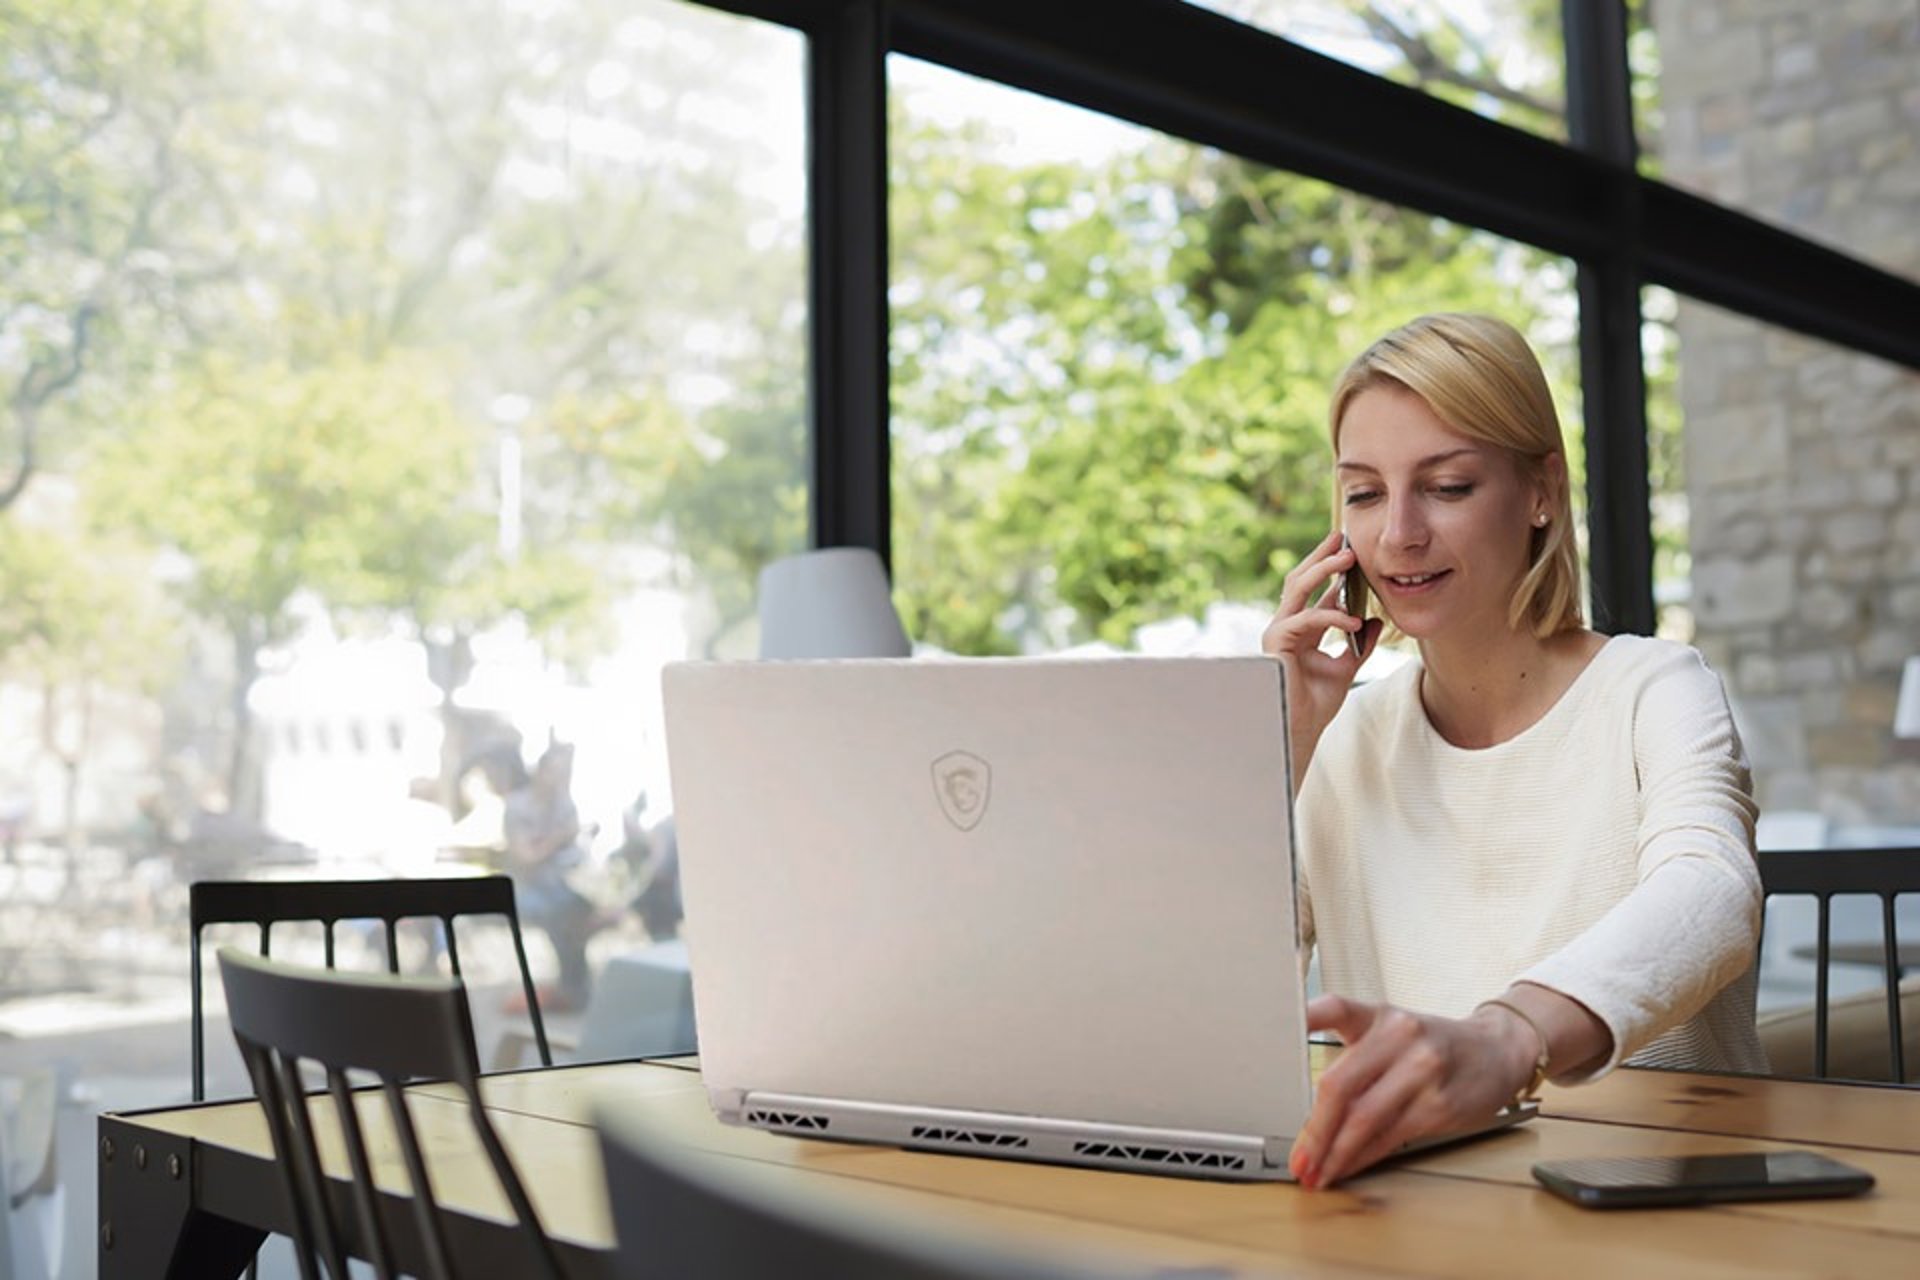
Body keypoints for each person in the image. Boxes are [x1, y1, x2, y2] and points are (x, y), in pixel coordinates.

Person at [1260, 312, 1765, 1189]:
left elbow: (1713, 891)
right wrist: (1279, 751)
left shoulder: (1654, 686)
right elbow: (1204, 993)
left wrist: (1506, 1036)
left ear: (1541, 492)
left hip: (1659, 1209)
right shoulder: (1341, 737)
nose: (1397, 535)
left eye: (1447, 487)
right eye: (1365, 493)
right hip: (1413, 1206)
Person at [480, 741, 600, 1011]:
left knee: (584, 909)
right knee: (563, 914)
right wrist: (560, 838)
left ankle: (574, 985)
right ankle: (573, 987)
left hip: (566, 884)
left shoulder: (564, 802)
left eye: (564, 772)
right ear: (540, 772)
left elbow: (573, 850)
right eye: (555, 772)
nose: (559, 779)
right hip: (531, 888)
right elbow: (526, 858)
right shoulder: (518, 806)